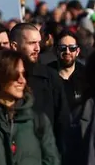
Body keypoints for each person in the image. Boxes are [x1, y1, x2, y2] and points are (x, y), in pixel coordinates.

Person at [9, 23, 70, 154]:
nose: (37, 48)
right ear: (14, 46)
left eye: (38, 42)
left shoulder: (50, 77)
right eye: (31, 43)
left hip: (45, 153)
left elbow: (62, 122)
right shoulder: (2, 78)